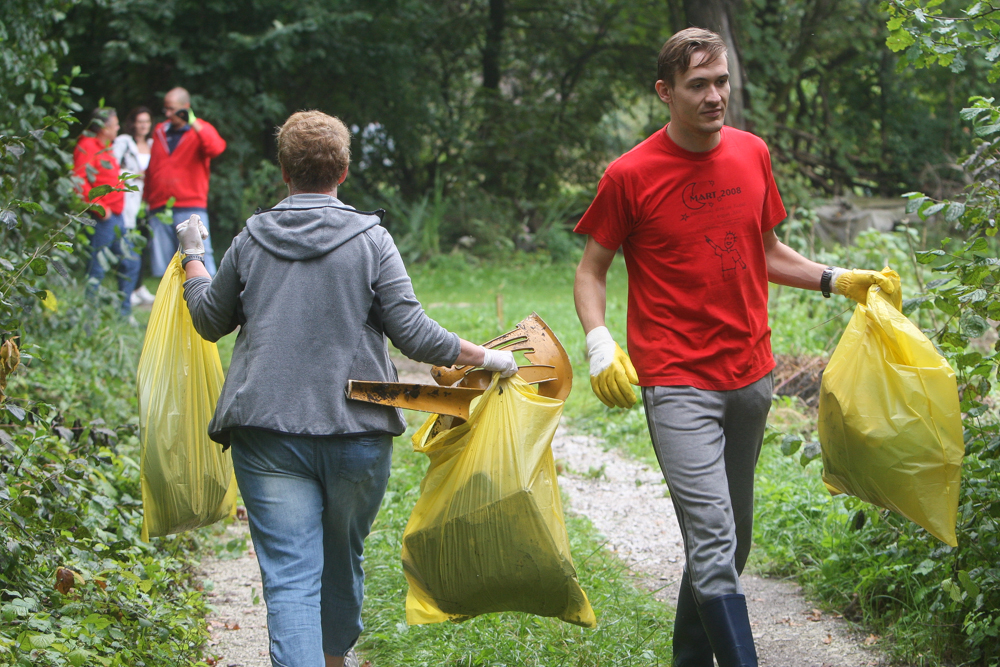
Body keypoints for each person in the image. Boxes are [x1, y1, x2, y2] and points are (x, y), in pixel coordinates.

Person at [572, 28, 894, 667]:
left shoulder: (752, 153)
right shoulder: (629, 175)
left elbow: (765, 249)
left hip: (751, 374)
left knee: (732, 543)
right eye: (698, 85)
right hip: (675, 379)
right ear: (665, 92)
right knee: (715, 542)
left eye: (721, 81)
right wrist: (599, 342)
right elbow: (591, 270)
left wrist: (836, 279)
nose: (715, 96)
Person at [178, 110, 518, 667]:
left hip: (267, 431)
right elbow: (413, 333)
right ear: (342, 171)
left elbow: (208, 319)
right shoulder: (372, 240)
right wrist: (491, 357)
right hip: (357, 431)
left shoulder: (249, 240)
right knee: (342, 559)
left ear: (284, 171)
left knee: (290, 577)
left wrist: (193, 256)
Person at [144, 86, 226, 276]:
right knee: (164, 265)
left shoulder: (199, 129)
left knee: (200, 256)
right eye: (166, 108)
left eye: (172, 109)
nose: (167, 113)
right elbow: (152, 167)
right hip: (159, 205)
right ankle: (169, 296)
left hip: (190, 206)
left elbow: (216, 148)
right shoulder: (160, 130)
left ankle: (207, 294)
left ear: (185, 107)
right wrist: (146, 198)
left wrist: (193, 121)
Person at [73, 107, 142, 318]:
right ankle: (88, 318)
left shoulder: (107, 147)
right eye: (115, 124)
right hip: (103, 218)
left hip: (118, 216)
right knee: (97, 268)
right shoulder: (87, 145)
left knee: (130, 262)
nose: (118, 127)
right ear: (103, 128)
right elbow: (78, 181)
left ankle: (124, 314)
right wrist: (99, 207)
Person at [112, 106, 156, 307]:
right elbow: (112, 166)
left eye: (147, 121)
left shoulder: (153, 144)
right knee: (127, 243)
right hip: (128, 198)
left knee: (143, 242)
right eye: (140, 121)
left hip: (146, 200)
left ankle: (138, 286)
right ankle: (126, 289)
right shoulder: (124, 142)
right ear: (133, 123)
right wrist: (135, 175)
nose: (143, 125)